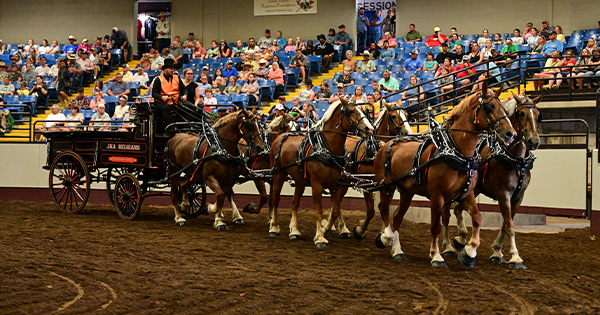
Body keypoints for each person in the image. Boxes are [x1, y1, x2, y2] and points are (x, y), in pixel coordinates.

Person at [152, 59, 188, 132]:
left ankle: (187, 128)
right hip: (162, 103)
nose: (172, 70)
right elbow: (154, 93)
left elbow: (184, 89)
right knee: (166, 107)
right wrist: (162, 97)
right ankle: (171, 129)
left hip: (175, 101)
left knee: (192, 107)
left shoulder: (177, 78)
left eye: (173, 69)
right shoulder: (158, 80)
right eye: (170, 69)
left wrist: (184, 95)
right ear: (165, 69)